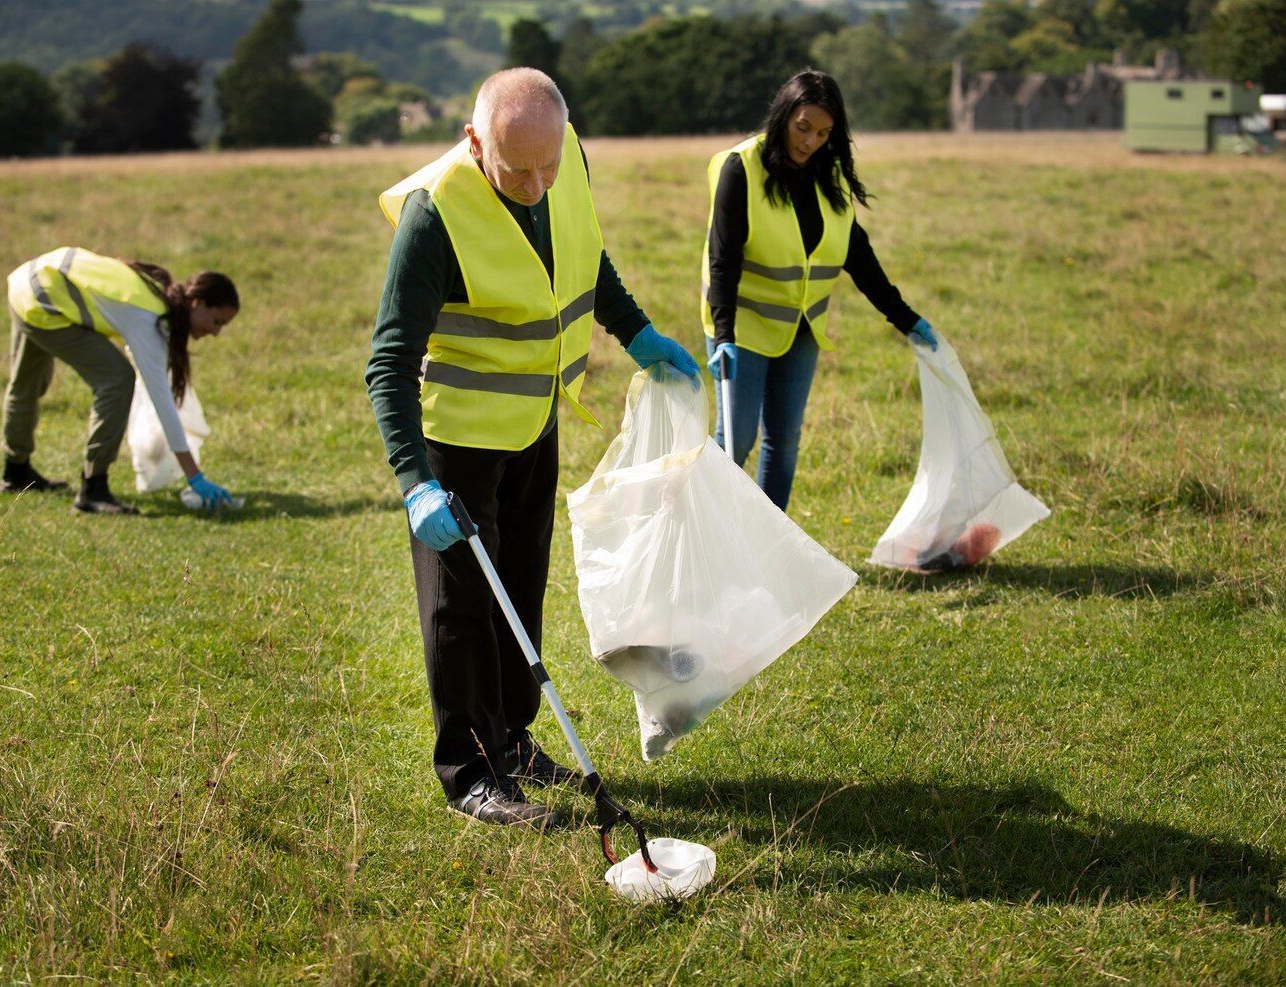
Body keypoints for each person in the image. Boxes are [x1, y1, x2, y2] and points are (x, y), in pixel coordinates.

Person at [365, 68, 699, 830]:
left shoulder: (559, 160)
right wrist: (415, 482)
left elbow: (584, 254)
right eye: (517, 170)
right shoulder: (434, 216)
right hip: (458, 443)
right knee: (461, 609)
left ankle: (513, 741)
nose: (537, 184)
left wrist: (637, 332)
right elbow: (387, 363)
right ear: (472, 140)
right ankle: (470, 772)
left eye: (548, 165)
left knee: (519, 588)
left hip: (533, 418)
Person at [702, 70, 937, 511]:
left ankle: (771, 547)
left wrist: (906, 319)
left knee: (784, 441)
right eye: (803, 127)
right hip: (742, 330)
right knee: (736, 441)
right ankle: (712, 542)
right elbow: (723, 259)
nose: (810, 142)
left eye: (824, 133)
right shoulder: (742, 168)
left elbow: (858, 256)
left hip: (802, 329)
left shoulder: (831, 178)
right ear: (784, 116)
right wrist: (724, 333)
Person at [0, 247, 240, 514]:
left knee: (26, 384)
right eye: (217, 321)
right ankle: (93, 489)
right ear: (198, 303)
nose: (216, 332)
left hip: (30, 281)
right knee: (118, 380)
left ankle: (15, 472)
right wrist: (195, 476)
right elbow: (162, 403)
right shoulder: (150, 320)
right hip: (44, 300)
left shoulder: (156, 291)